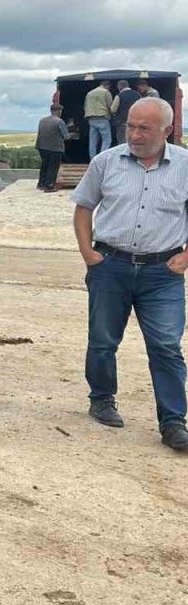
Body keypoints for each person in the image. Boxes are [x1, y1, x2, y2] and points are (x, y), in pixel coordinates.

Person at [71, 96, 188, 452]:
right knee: (103, 339)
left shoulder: (185, 165)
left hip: (163, 273)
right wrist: (89, 253)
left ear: (167, 130)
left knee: (166, 346)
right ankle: (102, 399)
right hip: (110, 267)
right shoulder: (106, 162)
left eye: (144, 128)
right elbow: (83, 207)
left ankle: (173, 422)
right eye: (130, 127)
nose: (134, 135)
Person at [35, 103, 69, 191]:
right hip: (55, 148)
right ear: (59, 111)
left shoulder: (42, 120)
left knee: (45, 165)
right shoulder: (59, 122)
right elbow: (66, 136)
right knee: (53, 167)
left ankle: (41, 184)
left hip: (41, 147)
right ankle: (49, 186)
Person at [84, 80, 114, 158]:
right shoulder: (106, 92)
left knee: (93, 141)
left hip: (91, 118)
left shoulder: (89, 93)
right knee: (107, 140)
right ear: (107, 86)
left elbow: (85, 106)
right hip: (102, 118)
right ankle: (102, 159)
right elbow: (110, 106)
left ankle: (92, 159)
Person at [110, 80, 140, 146]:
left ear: (120, 86)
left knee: (122, 142)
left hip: (122, 122)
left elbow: (113, 109)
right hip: (136, 122)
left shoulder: (119, 96)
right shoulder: (138, 95)